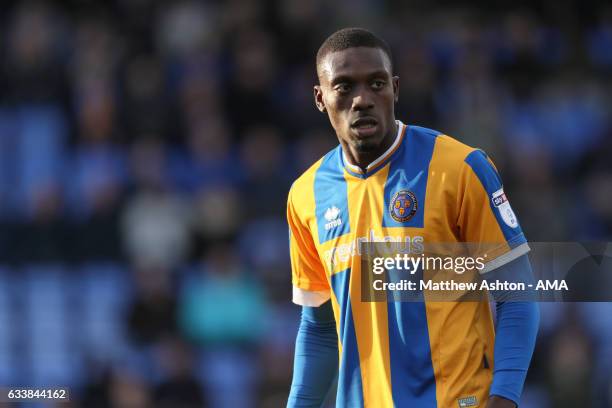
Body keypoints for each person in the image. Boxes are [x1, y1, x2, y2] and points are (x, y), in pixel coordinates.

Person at [286, 28, 539, 408]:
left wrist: (505, 397)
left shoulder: (460, 168)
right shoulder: (305, 196)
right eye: (344, 87)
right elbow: (320, 329)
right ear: (321, 98)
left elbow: (517, 294)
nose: (362, 100)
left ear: (396, 89)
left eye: (376, 83)